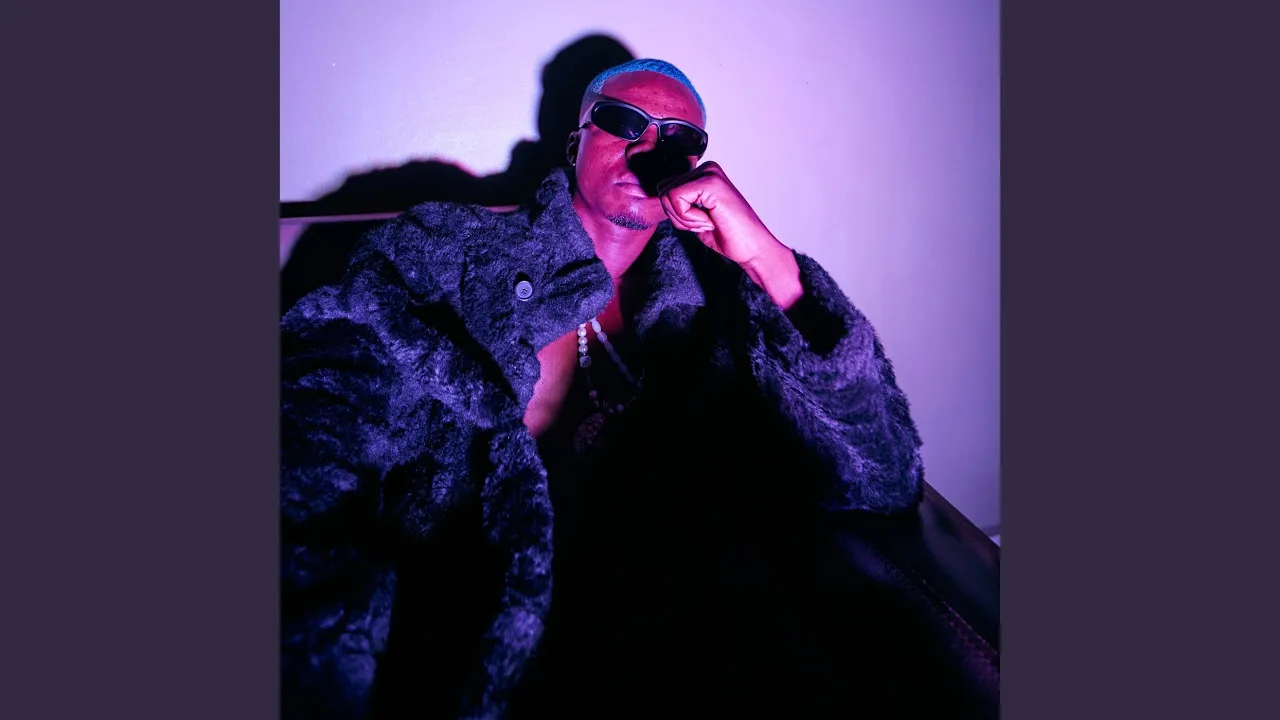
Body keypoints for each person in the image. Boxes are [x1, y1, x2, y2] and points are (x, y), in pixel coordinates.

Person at [281, 58, 926, 719]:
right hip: (472, 635)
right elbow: (317, 434)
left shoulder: (727, 301)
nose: (650, 148)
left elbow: (882, 475)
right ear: (574, 144)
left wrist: (767, 259)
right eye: (623, 121)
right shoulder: (448, 251)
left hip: (690, 644)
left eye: (679, 138)